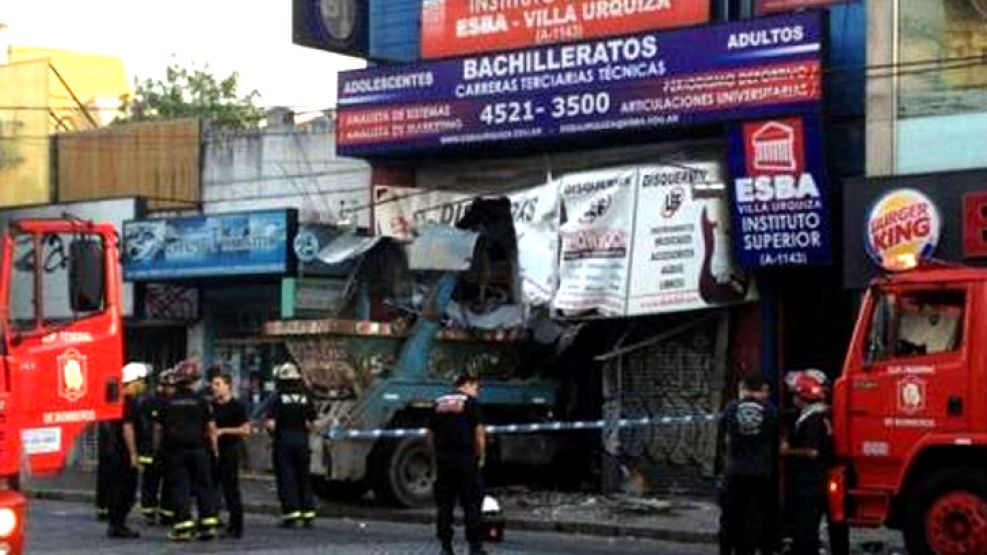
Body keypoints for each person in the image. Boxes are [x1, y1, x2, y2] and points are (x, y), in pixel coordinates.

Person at [155, 359, 221, 541]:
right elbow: (211, 428)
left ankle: (183, 527)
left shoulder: (168, 401)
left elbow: (159, 429)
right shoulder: (202, 401)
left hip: (174, 451)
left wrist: (156, 449)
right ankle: (208, 525)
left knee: (180, 487)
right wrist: (215, 451)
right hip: (199, 450)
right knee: (204, 486)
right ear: (194, 380)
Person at [716, 374, 778, 555]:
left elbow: (722, 438)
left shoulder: (730, 408)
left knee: (729, 516)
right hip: (761, 472)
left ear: (743, 388)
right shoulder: (771, 410)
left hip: (734, 471)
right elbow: (776, 441)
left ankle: (726, 550)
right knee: (753, 517)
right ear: (762, 389)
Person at [428, 371, 487, 555]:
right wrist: (481, 455)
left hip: (444, 461)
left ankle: (446, 548)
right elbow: (479, 433)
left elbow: (429, 434)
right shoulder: (471, 403)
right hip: (466, 460)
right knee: (472, 504)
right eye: (476, 387)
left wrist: (434, 456)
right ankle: (475, 548)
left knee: (445, 506)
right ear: (468, 384)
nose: (477, 392)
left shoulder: (439, 403)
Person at [781, 369, 835, 555]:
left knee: (806, 524)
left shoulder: (813, 419)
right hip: (816, 478)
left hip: (810, 480)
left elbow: (812, 452)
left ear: (802, 396)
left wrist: (788, 451)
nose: (793, 398)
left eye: (795, 394)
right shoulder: (821, 415)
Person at [265, 362, 317, 529]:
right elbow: (311, 422)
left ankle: (291, 514)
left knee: (287, 478)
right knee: (303, 476)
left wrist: (273, 436)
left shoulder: (277, 397)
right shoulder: (306, 396)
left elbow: (271, 424)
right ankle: (308, 513)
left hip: (283, 440)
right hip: (301, 440)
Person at [106, 362, 150, 539]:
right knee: (125, 490)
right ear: (133, 381)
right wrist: (133, 453)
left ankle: (116, 524)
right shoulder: (128, 402)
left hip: (116, 451)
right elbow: (128, 428)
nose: (143, 385)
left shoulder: (117, 399)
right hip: (123, 453)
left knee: (119, 488)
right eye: (142, 381)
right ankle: (118, 525)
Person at [211, 371, 250, 538]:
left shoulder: (237, 406)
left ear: (228, 386)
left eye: (218, 384)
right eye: (213, 384)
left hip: (229, 451)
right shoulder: (210, 405)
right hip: (211, 452)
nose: (214, 388)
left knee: (230, 490)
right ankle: (211, 521)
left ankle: (236, 526)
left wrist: (223, 431)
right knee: (210, 489)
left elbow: (246, 430)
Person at [138, 369, 166, 525]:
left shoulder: (148, 400)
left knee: (150, 481)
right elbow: (155, 427)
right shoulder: (156, 401)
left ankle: (149, 509)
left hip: (149, 448)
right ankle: (153, 510)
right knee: (153, 480)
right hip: (155, 448)